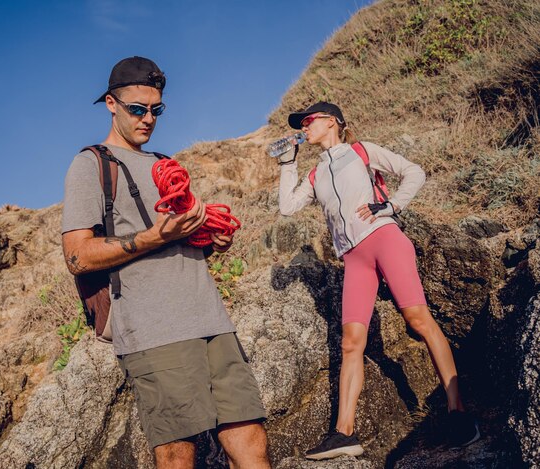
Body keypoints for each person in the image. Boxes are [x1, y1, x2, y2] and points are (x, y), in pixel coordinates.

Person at [62, 56, 270, 469]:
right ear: (111, 103)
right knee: (177, 453)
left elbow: (181, 240)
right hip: (153, 329)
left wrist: (212, 241)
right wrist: (154, 236)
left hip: (211, 319)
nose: (148, 118)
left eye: (156, 109)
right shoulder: (91, 165)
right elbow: (77, 255)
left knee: (252, 441)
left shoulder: (164, 162)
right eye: (138, 109)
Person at [276, 102, 480, 460]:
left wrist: (393, 205)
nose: (304, 128)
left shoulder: (362, 151)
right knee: (351, 343)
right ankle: (344, 434)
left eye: (309, 121)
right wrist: (287, 164)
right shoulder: (314, 174)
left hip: (385, 239)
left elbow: (414, 172)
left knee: (419, 320)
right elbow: (287, 207)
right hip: (354, 258)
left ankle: (458, 411)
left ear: (332, 123)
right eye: (302, 124)